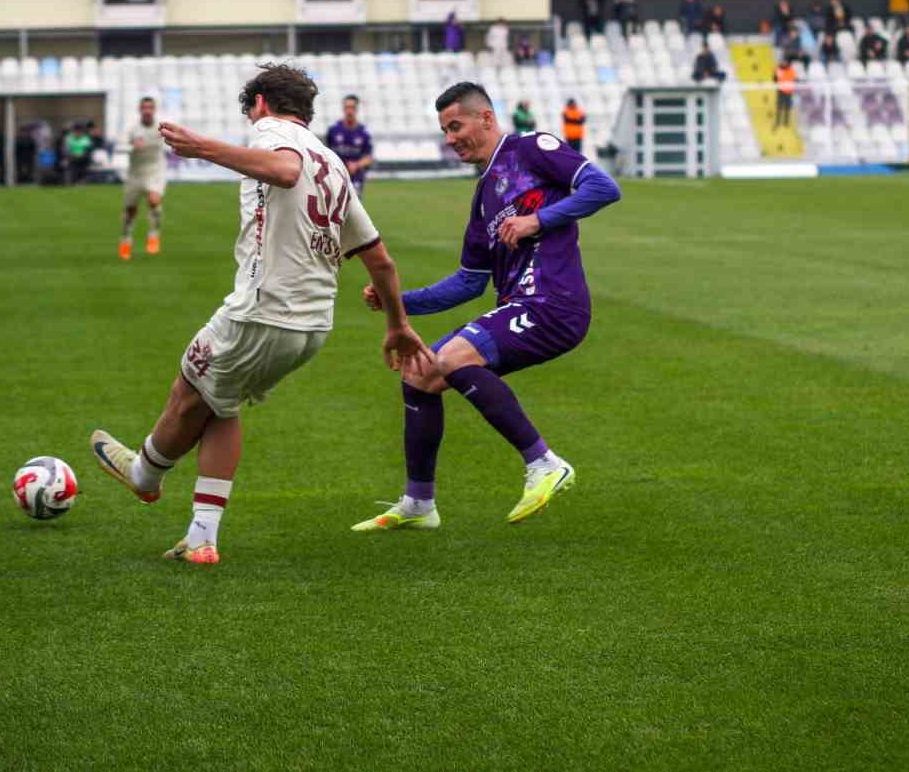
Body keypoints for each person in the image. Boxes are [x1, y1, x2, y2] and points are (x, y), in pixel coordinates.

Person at [89, 64, 431, 565]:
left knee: (188, 388)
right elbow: (379, 257)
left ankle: (145, 475)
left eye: (251, 109)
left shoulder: (272, 132)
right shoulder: (334, 164)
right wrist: (398, 324)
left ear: (263, 104)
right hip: (313, 327)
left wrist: (202, 147)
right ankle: (202, 537)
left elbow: (285, 170)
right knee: (221, 403)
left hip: (262, 311)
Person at [352, 81, 622, 532]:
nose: (450, 138)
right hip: (520, 305)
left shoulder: (531, 148)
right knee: (419, 373)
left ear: (487, 118)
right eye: (444, 130)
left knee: (453, 356)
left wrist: (539, 219)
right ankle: (419, 503)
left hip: (554, 303)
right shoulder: (482, 201)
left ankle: (545, 464)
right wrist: (395, 301)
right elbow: (467, 283)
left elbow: (603, 187)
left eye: (456, 125)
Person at [119, 96, 167, 260]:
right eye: (144, 107)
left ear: (154, 110)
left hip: (155, 171)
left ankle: (153, 236)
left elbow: (174, 138)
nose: (147, 111)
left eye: (150, 108)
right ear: (140, 110)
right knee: (130, 210)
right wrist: (133, 146)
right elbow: (120, 146)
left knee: (154, 201)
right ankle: (126, 240)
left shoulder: (161, 126)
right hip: (135, 173)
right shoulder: (132, 128)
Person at [326, 94, 374, 197]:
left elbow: (368, 158)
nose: (349, 111)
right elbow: (326, 154)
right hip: (336, 176)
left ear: (356, 109)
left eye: (352, 107)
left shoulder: (363, 132)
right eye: (347, 107)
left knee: (353, 208)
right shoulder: (333, 130)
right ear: (343, 109)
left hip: (356, 177)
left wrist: (356, 165)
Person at [773, 59, 797, 130]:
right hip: (780, 90)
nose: (784, 63)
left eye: (785, 62)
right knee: (779, 107)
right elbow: (775, 80)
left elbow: (794, 79)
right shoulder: (778, 69)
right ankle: (778, 121)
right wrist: (776, 75)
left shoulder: (791, 70)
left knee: (787, 107)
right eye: (783, 62)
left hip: (788, 91)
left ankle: (786, 122)